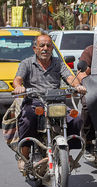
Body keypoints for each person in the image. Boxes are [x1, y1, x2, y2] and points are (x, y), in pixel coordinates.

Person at [13, 34, 86, 172]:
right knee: (27, 119)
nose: (45, 48)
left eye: (48, 45)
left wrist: (78, 86)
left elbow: (70, 77)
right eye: (42, 46)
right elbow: (17, 79)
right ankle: (25, 153)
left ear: (52, 48)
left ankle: (66, 152)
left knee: (76, 118)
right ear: (35, 49)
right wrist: (18, 87)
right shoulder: (27, 63)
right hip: (35, 102)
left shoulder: (58, 63)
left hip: (56, 102)